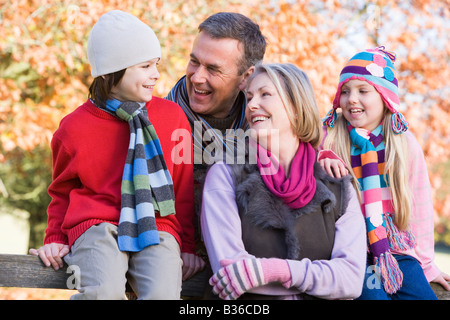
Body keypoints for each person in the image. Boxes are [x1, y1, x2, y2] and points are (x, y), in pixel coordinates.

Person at [29, 10, 203, 299]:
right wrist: (55, 239)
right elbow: (62, 191)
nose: (156, 74)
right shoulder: (73, 128)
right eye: (145, 66)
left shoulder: (172, 118)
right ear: (113, 71)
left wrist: (186, 246)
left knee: (162, 294)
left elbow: (181, 189)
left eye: (155, 64)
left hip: (157, 225)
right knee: (103, 292)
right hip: (96, 227)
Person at [201, 63, 367, 300]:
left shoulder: (337, 184)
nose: (252, 105)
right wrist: (319, 279)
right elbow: (231, 272)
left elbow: (350, 279)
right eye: (249, 97)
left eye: (265, 94)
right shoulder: (226, 174)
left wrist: (275, 271)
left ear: (296, 108)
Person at [320, 46, 450, 299]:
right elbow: (305, 158)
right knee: (373, 296)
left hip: (398, 250)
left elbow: (421, 208)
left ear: (385, 97)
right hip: (352, 252)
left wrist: (427, 264)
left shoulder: (403, 144)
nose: (352, 99)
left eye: (363, 90)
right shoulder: (332, 141)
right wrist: (322, 155)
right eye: (345, 91)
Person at [165, 12, 267, 261]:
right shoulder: (155, 124)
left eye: (213, 69)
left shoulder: (264, 133)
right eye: (194, 62)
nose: (197, 77)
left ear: (246, 77)